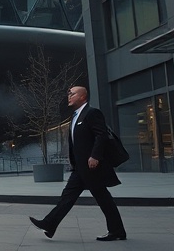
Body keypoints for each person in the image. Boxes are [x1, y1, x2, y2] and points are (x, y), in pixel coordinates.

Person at [29, 85, 126, 241]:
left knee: (102, 199)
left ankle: (117, 231)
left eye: (72, 94)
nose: (69, 96)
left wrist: (95, 156)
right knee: (70, 197)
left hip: (92, 166)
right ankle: (50, 224)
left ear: (82, 97)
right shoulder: (75, 116)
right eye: (68, 94)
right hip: (81, 167)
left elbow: (101, 136)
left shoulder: (92, 113)